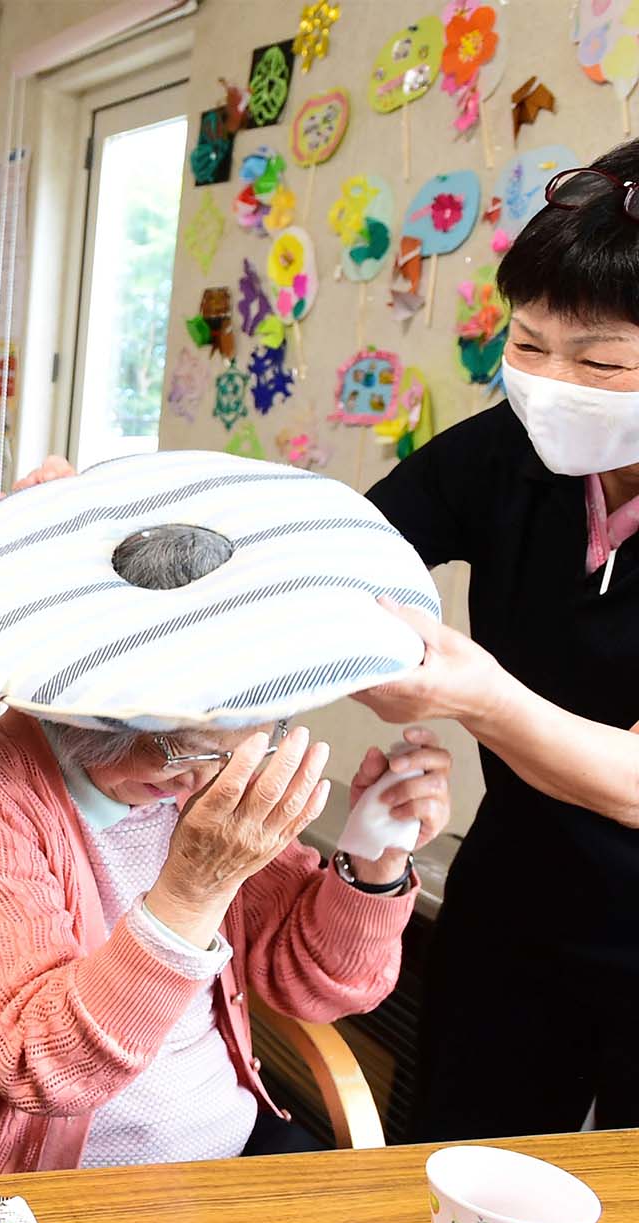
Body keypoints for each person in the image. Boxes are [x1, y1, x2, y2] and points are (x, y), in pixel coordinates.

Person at [0, 526, 451, 1181]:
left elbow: (314, 982)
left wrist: (376, 849)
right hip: (48, 1182)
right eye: (182, 746)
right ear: (93, 708)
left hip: (224, 1145)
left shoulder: (209, 776)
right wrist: (193, 889)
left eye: (240, 742)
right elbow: (39, 1065)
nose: (205, 778)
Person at [343, 140, 639, 1141]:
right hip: (519, 882)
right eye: (526, 344)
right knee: (454, 1163)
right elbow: (340, 550)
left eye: (600, 363)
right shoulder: (510, 452)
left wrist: (478, 698)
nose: (553, 386)